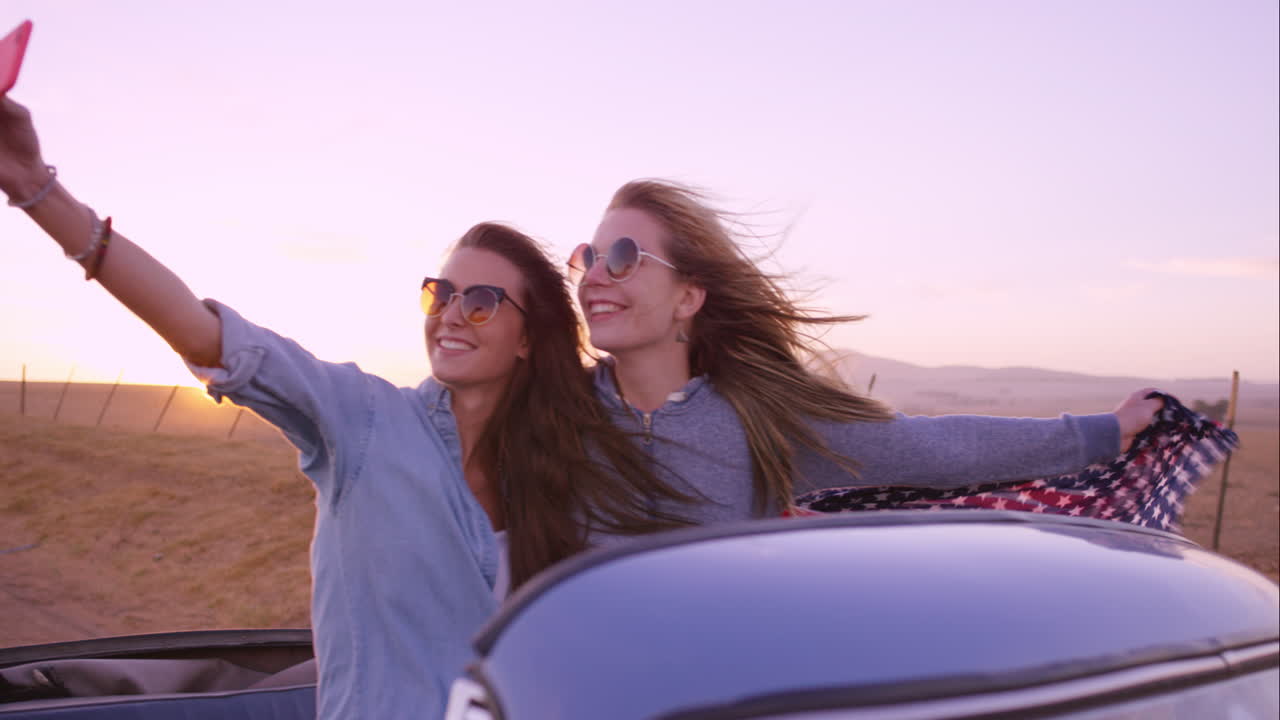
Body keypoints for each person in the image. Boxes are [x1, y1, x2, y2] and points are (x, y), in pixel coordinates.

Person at [0, 98, 694, 719]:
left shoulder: (558, 469)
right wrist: (39, 192)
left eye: (480, 302)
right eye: (439, 293)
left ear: (526, 339)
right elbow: (206, 331)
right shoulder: (361, 421)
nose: (451, 315)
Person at [569, 179, 1164, 527]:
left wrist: (1102, 432)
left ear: (689, 296)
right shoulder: (554, 411)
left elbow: (933, 447)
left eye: (621, 257)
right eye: (588, 258)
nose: (595, 276)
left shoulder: (760, 419)